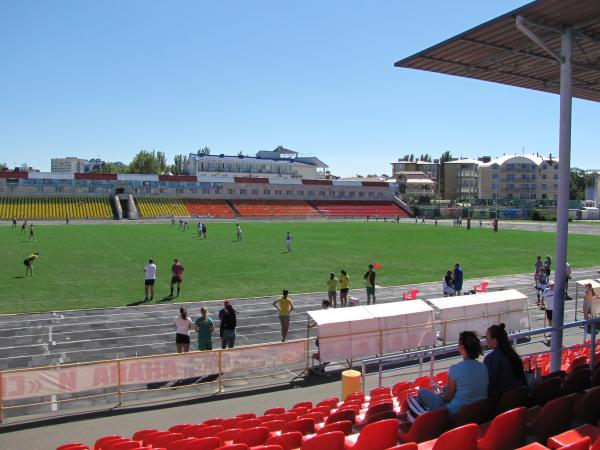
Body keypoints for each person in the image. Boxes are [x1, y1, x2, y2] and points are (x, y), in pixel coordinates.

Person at [412, 331, 488, 420]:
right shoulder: (483, 368)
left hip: (455, 414)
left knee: (422, 392)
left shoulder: (455, 369)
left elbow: (448, 397)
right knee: (444, 389)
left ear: (461, 347)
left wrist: (441, 395)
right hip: (478, 411)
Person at [484, 323, 526, 403]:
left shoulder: (491, 358)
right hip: (519, 399)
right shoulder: (512, 354)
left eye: (487, 337)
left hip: (502, 403)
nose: (485, 340)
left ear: (495, 340)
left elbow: (489, 385)